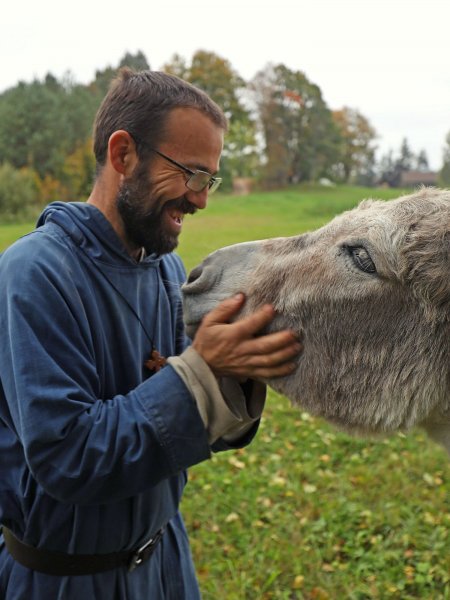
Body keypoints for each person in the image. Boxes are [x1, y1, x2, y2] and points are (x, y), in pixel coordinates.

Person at [0, 69, 301, 599]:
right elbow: (68, 457)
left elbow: (191, 416)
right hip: (65, 583)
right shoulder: (34, 272)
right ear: (123, 155)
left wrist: (236, 370)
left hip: (166, 564)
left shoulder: (166, 269)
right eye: (189, 173)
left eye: (209, 179)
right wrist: (202, 374)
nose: (200, 199)